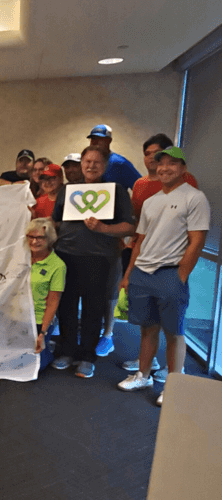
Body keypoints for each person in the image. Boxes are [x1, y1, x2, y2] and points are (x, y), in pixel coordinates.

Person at [116, 146, 209, 406]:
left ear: (183, 168)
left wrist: (181, 274)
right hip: (143, 273)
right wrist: (129, 273)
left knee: (174, 332)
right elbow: (140, 240)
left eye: (172, 163)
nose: (165, 168)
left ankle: (175, 386)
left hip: (170, 274)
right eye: (161, 164)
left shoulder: (194, 197)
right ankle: (143, 375)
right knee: (147, 329)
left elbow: (197, 240)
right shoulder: (150, 201)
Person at [110, 134, 199, 366]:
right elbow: (139, 222)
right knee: (147, 320)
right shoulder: (140, 185)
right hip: (142, 257)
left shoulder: (187, 183)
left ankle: (173, 377)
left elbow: (194, 232)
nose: (151, 158)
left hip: (171, 263)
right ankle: (146, 365)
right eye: (147, 154)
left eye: (157, 154)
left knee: (172, 326)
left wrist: (182, 271)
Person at [50, 146, 135, 379]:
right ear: (81, 164)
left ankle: (87, 357)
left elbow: (130, 227)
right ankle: (66, 351)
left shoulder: (115, 191)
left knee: (93, 309)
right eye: (87, 161)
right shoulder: (68, 190)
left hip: (99, 259)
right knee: (66, 306)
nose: (91, 166)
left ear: (105, 166)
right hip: (65, 255)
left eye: (97, 162)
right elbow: (55, 222)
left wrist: (103, 228)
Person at [28, 218, 66, 372]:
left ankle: (48, 347)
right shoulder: (20, 257)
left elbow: (53, 301)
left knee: (35, 367)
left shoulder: (57, 266)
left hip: (37, 318)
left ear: (49, 239)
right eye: (31, 237)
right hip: (16, 315)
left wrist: (42, 332)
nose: (34, 241)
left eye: (40, 238)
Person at [87, 124, 141, 191]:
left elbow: (140, 188)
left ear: (109, 140)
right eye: (93, 139)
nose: (95, 142)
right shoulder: (86, 163)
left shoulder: (119, 163)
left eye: (100, 139)